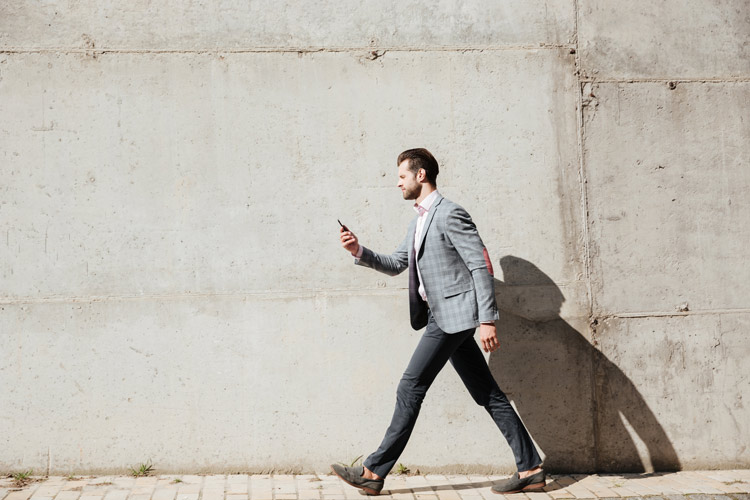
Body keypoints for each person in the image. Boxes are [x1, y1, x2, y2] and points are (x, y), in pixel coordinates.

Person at [331, 148, 545, 496]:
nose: (397, 182)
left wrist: (487, 319)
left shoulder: (450, 214)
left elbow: (479, 266)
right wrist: (358, 250)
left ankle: (373, 472)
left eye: (402, 176)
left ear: (421, 175)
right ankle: (531, 468)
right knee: (488, 394)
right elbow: (397, 262)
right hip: (444, 318)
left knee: (410, 386)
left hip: (452, 319)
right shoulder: (419, 221)